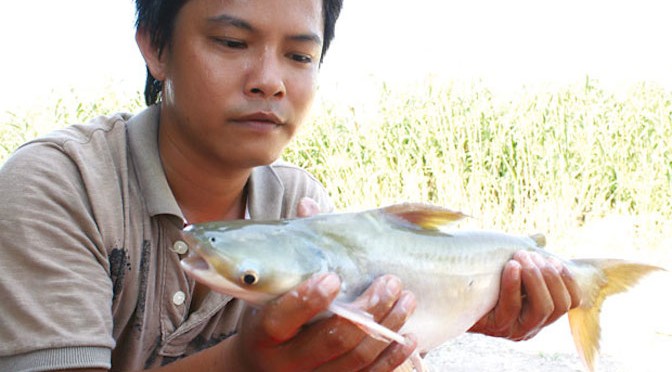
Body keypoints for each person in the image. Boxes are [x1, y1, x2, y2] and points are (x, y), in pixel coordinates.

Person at [0, 0, 581, 371]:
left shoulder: (296, 203)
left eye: (300, 55)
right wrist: (244, 365)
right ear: (155, 46)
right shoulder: (59, 185)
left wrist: (464, 309)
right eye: (232, 43)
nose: (270, 82)